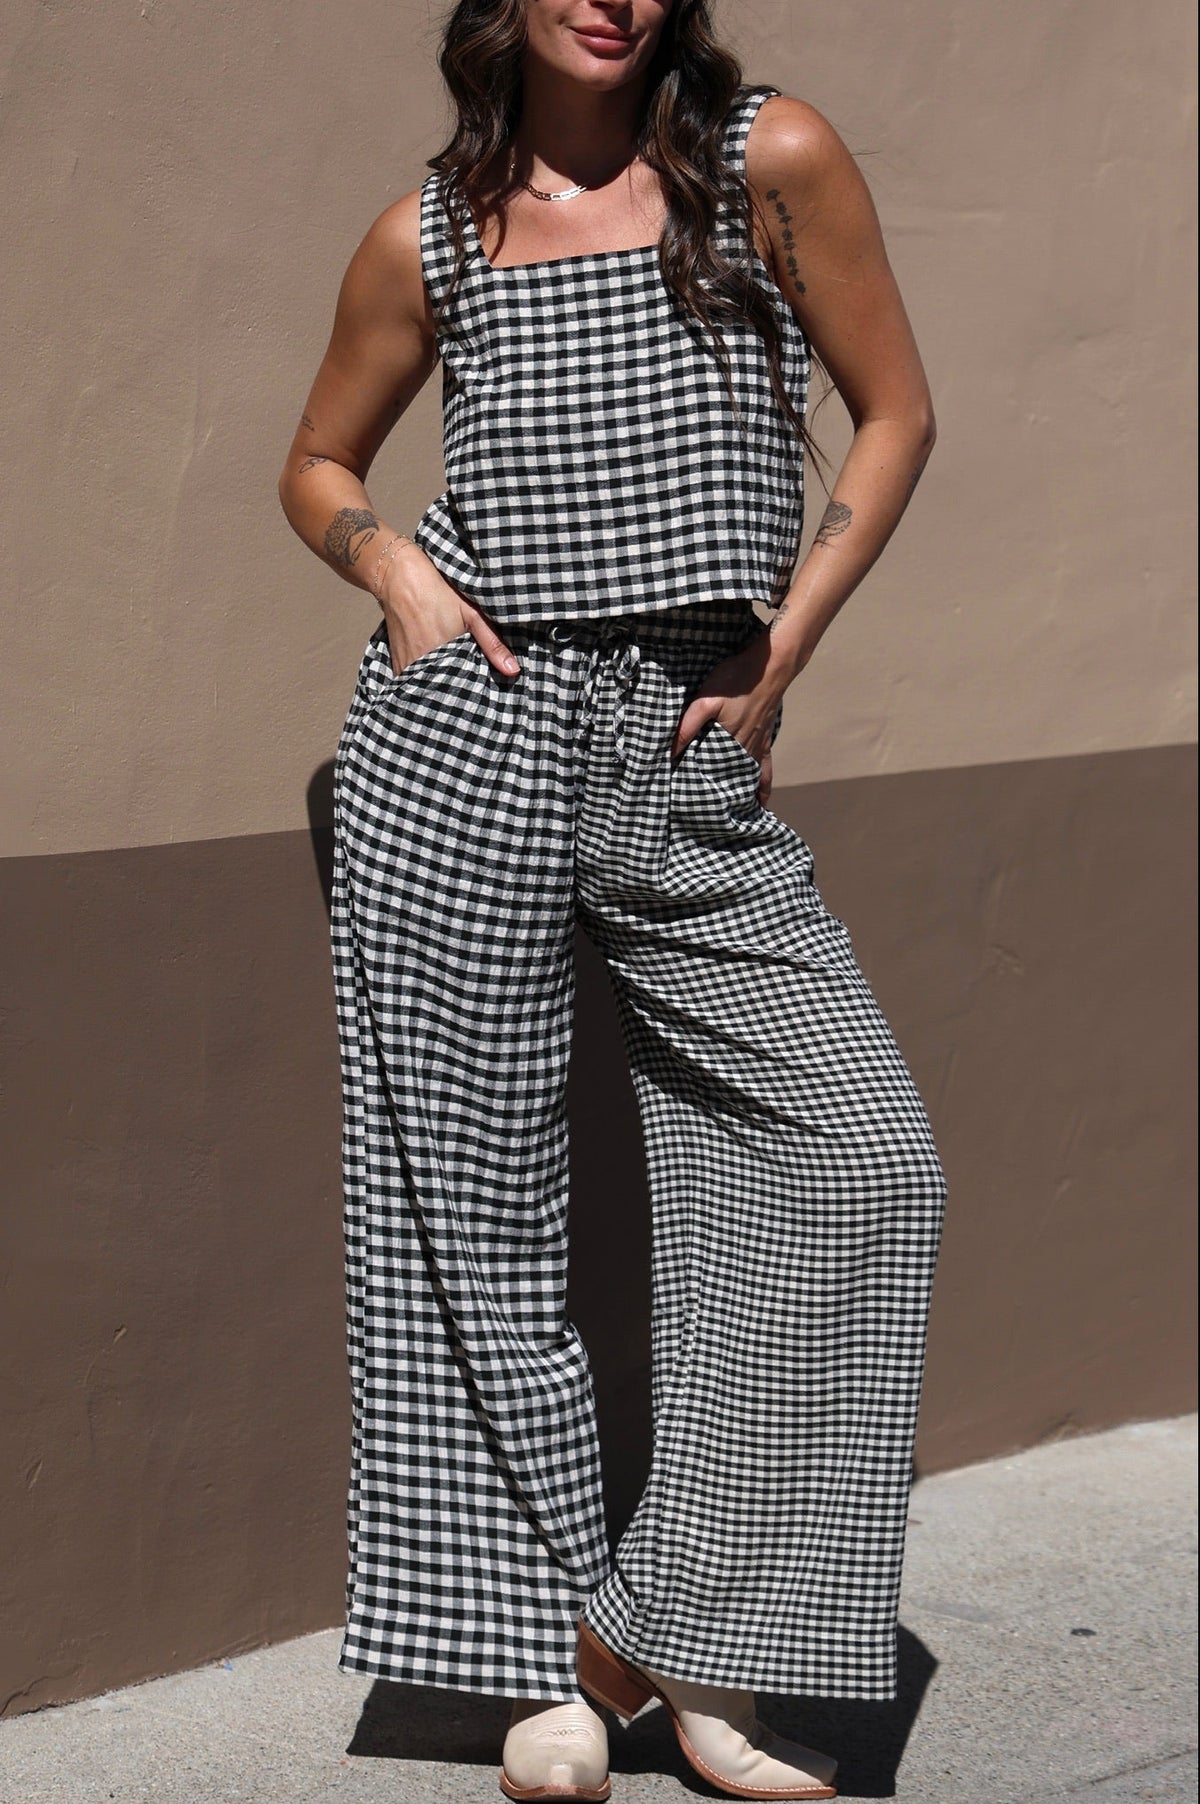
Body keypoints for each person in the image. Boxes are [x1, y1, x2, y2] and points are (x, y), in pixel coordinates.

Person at [278, 2, 947, 1798]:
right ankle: (532, 1674)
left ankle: (674, 1637)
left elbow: (895, 415)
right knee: (474, 1215)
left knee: (860, 1160)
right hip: (464, 743)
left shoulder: (764, 165)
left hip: (681, 732)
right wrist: (398, 576)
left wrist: (784, 653)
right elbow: (315, 463)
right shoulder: (425, 229)